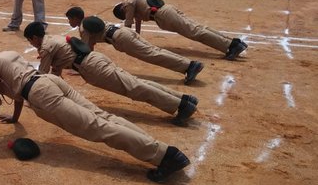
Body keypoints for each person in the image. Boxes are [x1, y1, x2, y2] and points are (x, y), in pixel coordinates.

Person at [0, 51, 191, 182]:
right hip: (51, 81)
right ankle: (159, 149)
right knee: (103, 117)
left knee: (98, 127)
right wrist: (16, 118)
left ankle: (164, 155)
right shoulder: (4, 55)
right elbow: (16, 89)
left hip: (42, 95)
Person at [24, 22, 197, 126]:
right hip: (95, 60)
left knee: (134, 88)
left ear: (34, 37)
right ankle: (183, 99)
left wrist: (31, 98)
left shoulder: (46, 47)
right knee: (134, 82)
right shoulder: (54, 38)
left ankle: (180, 106)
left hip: (91, 67)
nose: (31, 44)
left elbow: (42, 75)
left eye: (30, 40)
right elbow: (55, 72)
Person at [65, 7, 203, 84]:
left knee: (152, 54)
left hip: (120, 39)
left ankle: (189, 66)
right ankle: (189, 65)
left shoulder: (83, 28)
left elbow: (87, 50)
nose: (69, 22)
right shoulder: (90, 18)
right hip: (124, 32)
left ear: (76, 18)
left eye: (70, 19)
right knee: (154, 51)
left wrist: (79, 69)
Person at [113, 0, 248, 60]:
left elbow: (129, 24)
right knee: (198, 28)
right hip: (167, 10)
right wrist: (137, 38)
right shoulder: (137, 0)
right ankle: (233, 43)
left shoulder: (129, 3)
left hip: (164, 15)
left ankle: (231, 47)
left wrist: (128, 39)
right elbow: (136, 24)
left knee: (195, 32)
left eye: (123, 14)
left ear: (122, 9)